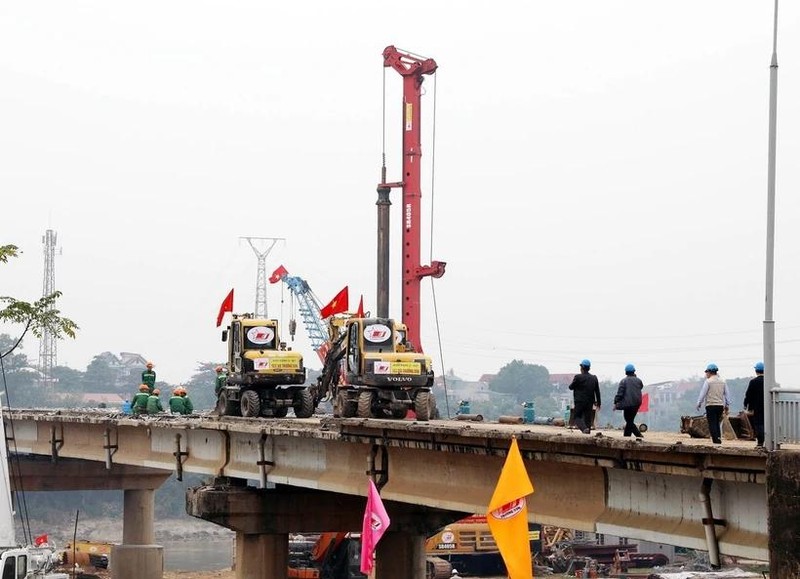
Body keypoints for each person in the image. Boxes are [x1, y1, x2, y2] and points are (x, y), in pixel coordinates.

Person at [696, 363, 731, 445]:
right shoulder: (723, 381)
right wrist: (727, 405)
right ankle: (718, 438)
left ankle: (716, 440)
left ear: (710, 372)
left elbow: (703, 393)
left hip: (710, 405)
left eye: (706, 372)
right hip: (720, 406)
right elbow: (727, 394)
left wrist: (699, 403)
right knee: (717, 423)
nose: (706, 374)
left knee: (712, 423)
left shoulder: (708, 382)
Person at [568, 359, 601, 434]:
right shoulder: (594, 378)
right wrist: (599, 403)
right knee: (588, 418)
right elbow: (597, 391)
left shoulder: (578, 377)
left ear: (582, 368)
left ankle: (584, 429)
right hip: (590, 402)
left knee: (576, 417)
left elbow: (570, 387)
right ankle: (587, 432)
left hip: (579, 401)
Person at [614, 363, 644, 439]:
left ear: (626, 372)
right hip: (637, 403)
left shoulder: (623, 381)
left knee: (629, 420)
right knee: (630, 420)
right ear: (634, 371)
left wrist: (616, 402)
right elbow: (641, 387)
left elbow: (620, 394)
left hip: (628, 404)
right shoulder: (639, 380)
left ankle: (638, 435)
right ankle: (627, 436)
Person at [743, 361, 765, 448]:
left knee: (759, 424)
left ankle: (760, 442)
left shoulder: (753, 382)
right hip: (768, 406)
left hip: (757, 407)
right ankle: (769, 441)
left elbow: (748, 394)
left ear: (756, 371)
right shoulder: (768, 381)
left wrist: (746, 404)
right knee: (767, 423)